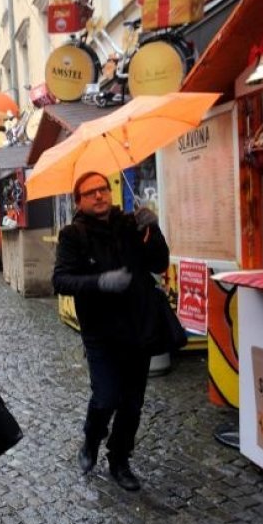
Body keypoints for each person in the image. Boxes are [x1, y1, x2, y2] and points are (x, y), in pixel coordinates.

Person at [51, 171, 170, 492]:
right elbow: (60, 281)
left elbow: (159, 263)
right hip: (101, 332)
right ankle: (91, 438)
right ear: (80, 201)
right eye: (90, 193)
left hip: (137, 327)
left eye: (103, 189)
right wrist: (99, 283)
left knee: (132, 403)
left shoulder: (131, 225)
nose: (100, 196)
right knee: (105, 397)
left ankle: (120, 459)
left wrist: (153, 228)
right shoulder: (72, 235)